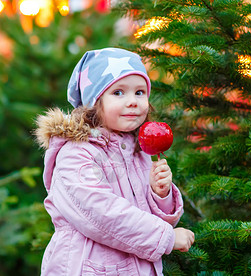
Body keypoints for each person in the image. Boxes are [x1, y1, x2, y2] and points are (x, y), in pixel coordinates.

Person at [35, 48, 194, 276]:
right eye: (118, 92)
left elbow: (146, 211)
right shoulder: (76, 153)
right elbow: (101, 212)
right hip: (89, 268)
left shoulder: (138, 150)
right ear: (94, 102)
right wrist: (166, 237)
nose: (132, 102)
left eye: (140, 92)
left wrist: (160, 194)